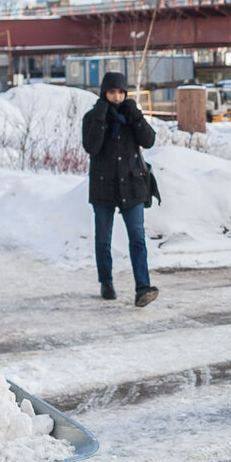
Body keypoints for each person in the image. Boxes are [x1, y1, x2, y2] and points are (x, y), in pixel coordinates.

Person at [82, 71, 160, 307]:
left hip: (132, 185)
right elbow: (91, 147)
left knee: (137, 238)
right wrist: (100, 118)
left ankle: (142, 288)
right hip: (103, 187)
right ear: (104, 93)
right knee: (103, 240)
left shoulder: (130, 117)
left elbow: (148, 141)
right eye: (112, 92)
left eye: (120, 92)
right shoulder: (93, 117)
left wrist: (136, 116)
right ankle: (106, 281)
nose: (116, 97)